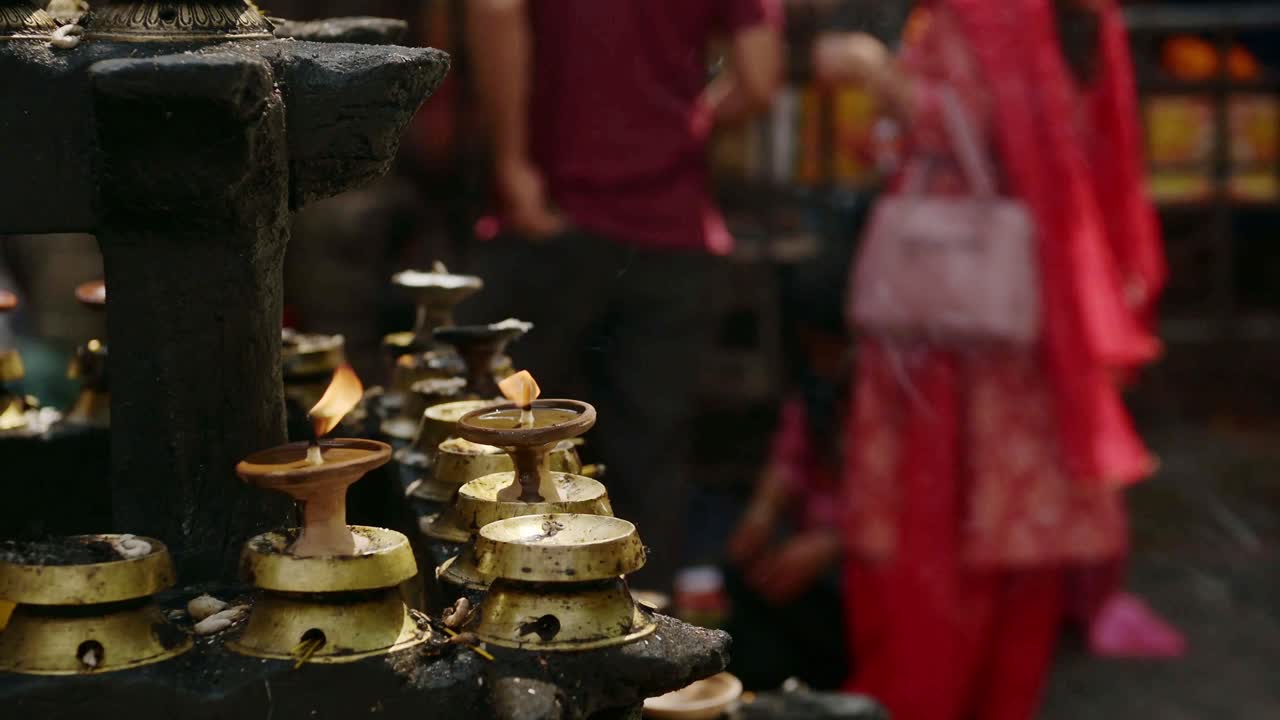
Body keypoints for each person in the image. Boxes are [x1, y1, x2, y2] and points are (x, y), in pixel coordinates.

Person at [817, 1, 1167, 718]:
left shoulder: (988, 12)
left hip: (951, 330)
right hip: (1032, 306)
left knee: (934, 541)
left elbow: (970, 120)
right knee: (1014, 552)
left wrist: (874, 73)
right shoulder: (1081, 16)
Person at [463, 0, 784, 592]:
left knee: (509, 447)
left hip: (552, 218)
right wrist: (686, 125)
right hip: (674, 233)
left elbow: (494, 10)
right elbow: (760, 81)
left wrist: (511, 158)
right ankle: (642, 651)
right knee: (650, 464)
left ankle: (498, 640)